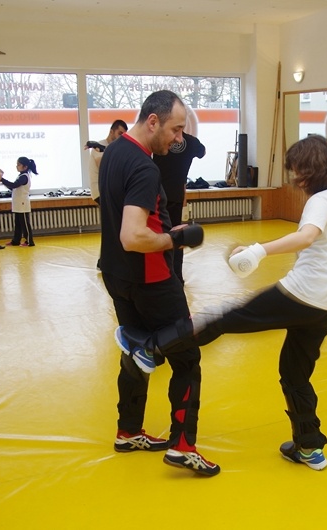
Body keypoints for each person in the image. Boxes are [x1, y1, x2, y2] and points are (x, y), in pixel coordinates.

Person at [117, 134, 327, 471]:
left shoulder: (321, 201)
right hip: (326, 309)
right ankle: (309, 446)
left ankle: (151, 348)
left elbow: (306, 236)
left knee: (225, 317)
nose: (296, 179)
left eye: (297, 171)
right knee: (295, 374)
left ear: (310, 169)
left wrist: (259, 250)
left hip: (299, 295)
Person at [99, 90, 219, 476]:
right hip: (151, 280)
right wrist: (174, 239)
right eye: (175, 129)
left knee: (136, 351)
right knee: (187, 358)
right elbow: (133, 236)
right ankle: (183, 446)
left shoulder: (114, 151)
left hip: (118, 276)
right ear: (153, 121)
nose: (178, 138)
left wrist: (168, 229)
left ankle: (128, 431)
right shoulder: (145, 167)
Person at [153, 132, 206, 282]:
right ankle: (177, 276)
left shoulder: (160, 138)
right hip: (175, 195)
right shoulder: (191, 141)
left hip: (157, 195)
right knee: (176, 235)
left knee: (159, 235)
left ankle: (163, 275)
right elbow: (202, 152)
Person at [87, 119, 128, 204]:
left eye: (124, 135)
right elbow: (104, 167)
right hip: (100, 191)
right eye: (119, 134)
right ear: (111, 132)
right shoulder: (99, 146)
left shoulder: (114, 148)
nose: (121, 138)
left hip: (108, 191)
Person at [0, 156, 37, 247]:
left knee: (24, 223)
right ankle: (16, 240)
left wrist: (2, 179)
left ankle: (29, 241)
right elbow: (14, 188)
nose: (17, 166)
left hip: (22, 203)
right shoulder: (20, 176)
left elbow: (14, 185)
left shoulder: (24, 176)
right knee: (18, 223)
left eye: (19, 164)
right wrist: (3, 182)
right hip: (18, 203)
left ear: (25, 167)